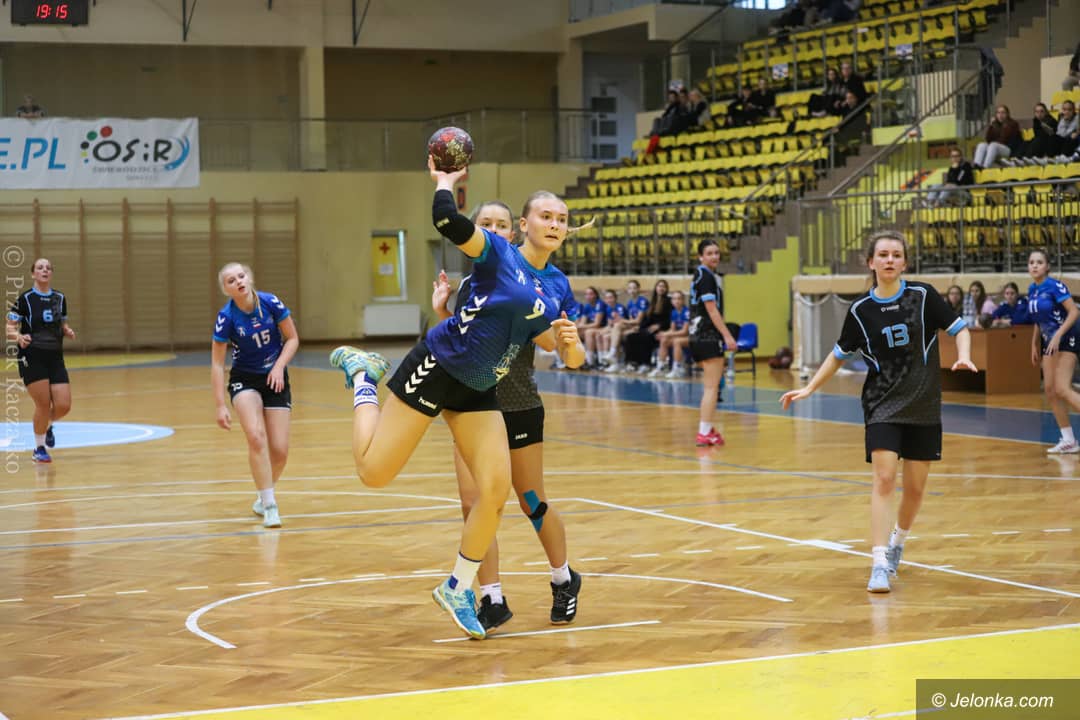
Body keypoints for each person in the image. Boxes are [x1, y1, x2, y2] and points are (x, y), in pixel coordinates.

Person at [328, 157, 585, 640]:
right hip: (438, 368)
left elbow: (561, 349)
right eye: (546, 216)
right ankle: (363, 377)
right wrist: (445, 181)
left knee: (495, 489)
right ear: (523, 225)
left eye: (562, 219)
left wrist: (570, 344)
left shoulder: (555, 286)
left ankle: (458, 587)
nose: (554, 225)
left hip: (479, 388)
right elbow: (447, 221)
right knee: (374, 473)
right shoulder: (497, 255)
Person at [781, 230, 976, 593]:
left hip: (923, 405)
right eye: (883, 254)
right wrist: (809, 388)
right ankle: (879, 562)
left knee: (915, 489)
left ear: (905, 262)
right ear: (871, 262)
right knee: (885, 479)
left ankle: (898, 542)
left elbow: (960, 329)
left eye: (896, 255)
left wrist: (963, 355)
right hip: (881, 404)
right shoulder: (861, 311)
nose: (889, 260)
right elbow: (838, 354)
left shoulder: (923, 296)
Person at [430, 200, 580, 632]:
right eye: (485, 224)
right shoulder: (473, 281)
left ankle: (564, 578)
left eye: (500, 225)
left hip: (518, 403)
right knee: (475, 503)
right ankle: (491, 597)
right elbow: (459, 339)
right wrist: (443, 312)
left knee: (531, 501)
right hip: (473, 404)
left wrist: (568, 343)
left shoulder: (543, 279)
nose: (494, 231)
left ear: (513, 232)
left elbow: (560, 347)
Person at [211, 263, 299, 529]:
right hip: (245, 380)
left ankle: (262, 496)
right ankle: (270, 506)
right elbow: (217, 363)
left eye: (241, 276)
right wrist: (220, 405)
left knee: (280, 451)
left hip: (275, 376)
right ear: (226, 289)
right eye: (231, 280)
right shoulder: (227, 317)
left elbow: (292, 338)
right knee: (256, 436)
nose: (238, 281)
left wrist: (279, 367)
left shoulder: (270, 303)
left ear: (249, 278)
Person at [6, 258, 75, 463]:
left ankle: (47, 425)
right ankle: (39, 448)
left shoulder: (59, 298)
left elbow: (62, 323)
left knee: (64, 405)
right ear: (33, 274)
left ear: (51, 273)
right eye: (40, 267)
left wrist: (67, 330)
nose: (44, 270)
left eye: (48, 268)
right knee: (43, 404)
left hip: (55, 357)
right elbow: (9, 327)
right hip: (32, 356)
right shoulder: (25, 299)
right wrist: (18, 337)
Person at [1026, 248, 1080, 454]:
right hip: (1049, 342)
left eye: (1039, 262)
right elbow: (1039, 320)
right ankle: (1069, 440)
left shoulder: (1054, 285)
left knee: (1062, 388)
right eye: (1032, 262)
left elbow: (1074, 312)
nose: (1035, 266)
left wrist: (1058, 335)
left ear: (1047, 266)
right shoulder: (1032, 289)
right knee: (1050, 390)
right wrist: (1034, 343)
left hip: (1067, 338)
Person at [689, 240, 738, 446]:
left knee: (711, 386)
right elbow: (711, 309)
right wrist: (727, 336)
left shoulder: (702, 275)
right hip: (707, 335)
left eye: (717, 253)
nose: (714, 256)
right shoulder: (706, 276)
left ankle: (707, 429)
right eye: (709, 253)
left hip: (698, 335)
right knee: (711, 388)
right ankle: (703, 432)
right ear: (701, 257)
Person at [624, 280, 672, 373]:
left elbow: (670, 319)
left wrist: (659, 325)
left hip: (663, 328)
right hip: (651, 328)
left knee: (646, 337)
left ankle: (646, 363)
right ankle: (632, 362)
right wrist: (640, 327)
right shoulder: (653, 302)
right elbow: (647, 319)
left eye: (663, 286)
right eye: (659, 286)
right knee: (631, 336)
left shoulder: (669, 301)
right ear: (656, 288)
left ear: (666, 289)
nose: (661, 288)